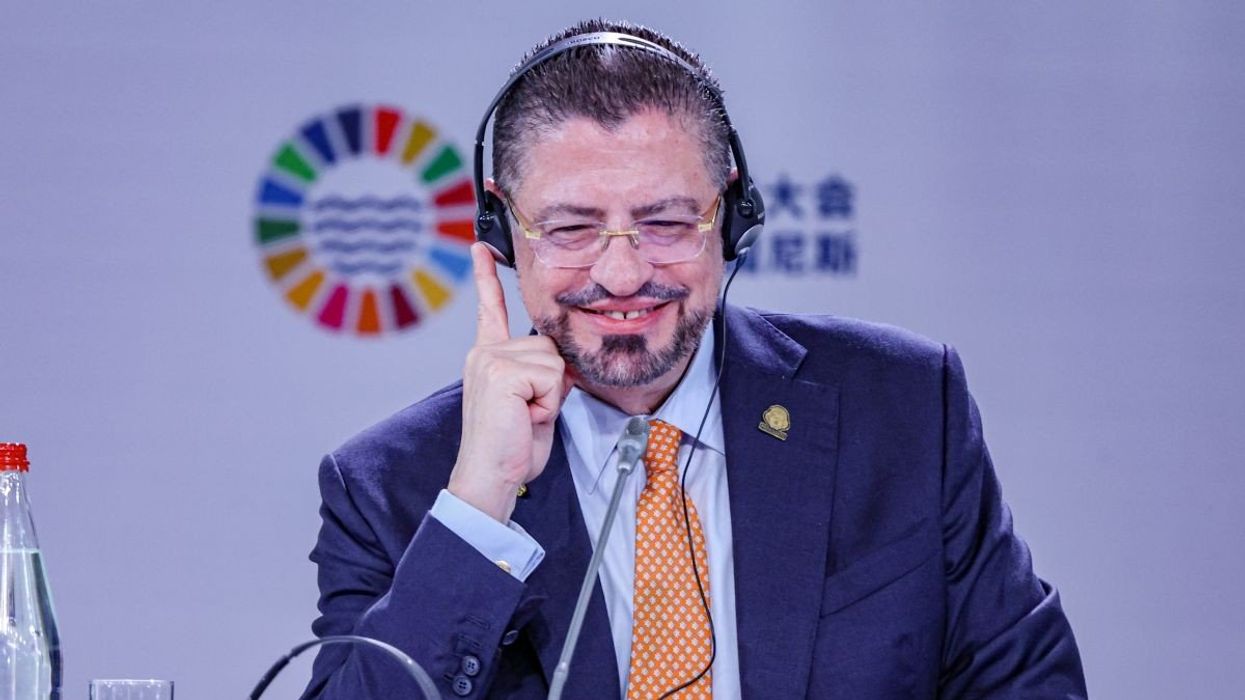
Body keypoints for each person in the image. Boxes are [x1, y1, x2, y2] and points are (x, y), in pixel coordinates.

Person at [302, 19, 1087, 699]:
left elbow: (1026, 683)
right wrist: (481, 504)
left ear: (732, 216)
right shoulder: (392, 486)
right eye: (571, 229)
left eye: (666, 222)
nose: (620, 274)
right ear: (505, 235)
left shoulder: (905, 408)